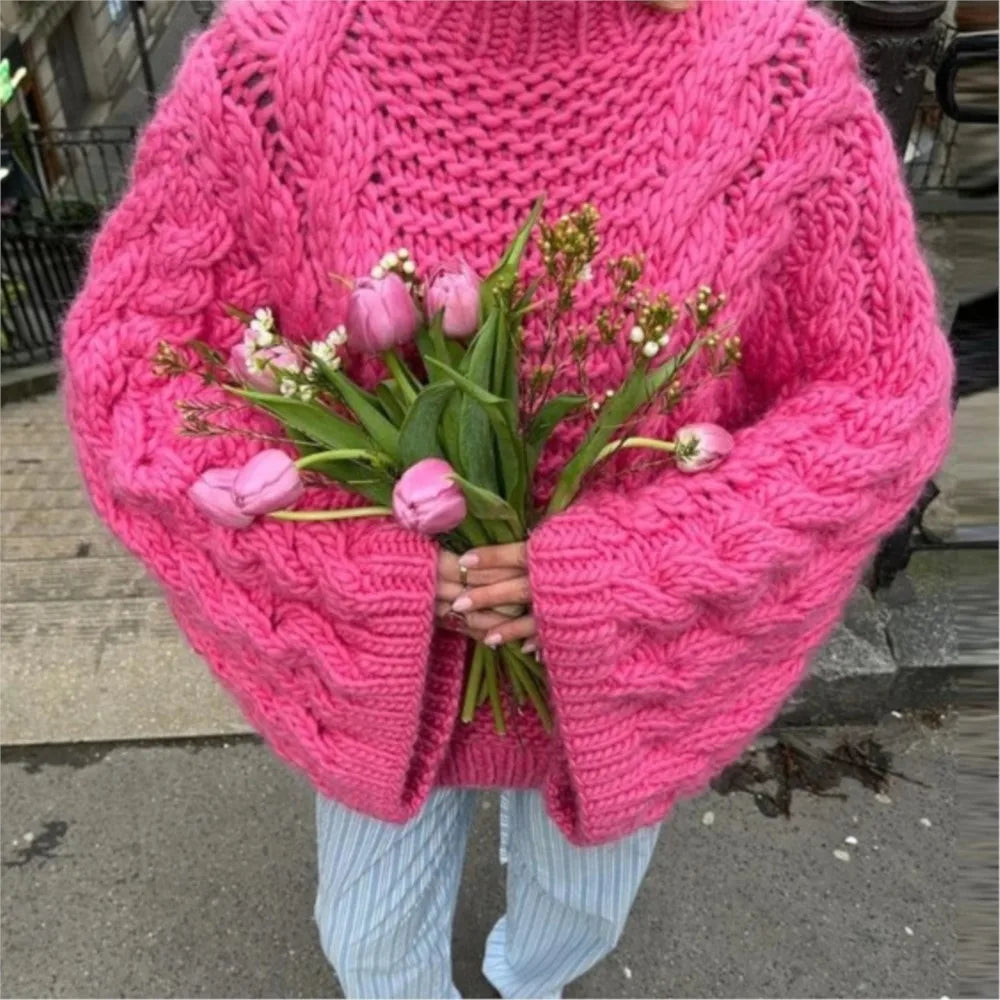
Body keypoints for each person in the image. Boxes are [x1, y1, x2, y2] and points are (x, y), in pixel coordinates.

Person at [60, 0, 954, 997]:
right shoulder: (270, 66)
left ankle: (525, 980)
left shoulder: (779, 77)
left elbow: (876, 388)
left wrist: (629, 573)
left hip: (628, 668)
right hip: (381, 664)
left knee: (577, 915)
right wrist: (360, 572)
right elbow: (137, 366)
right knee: (367, 938)